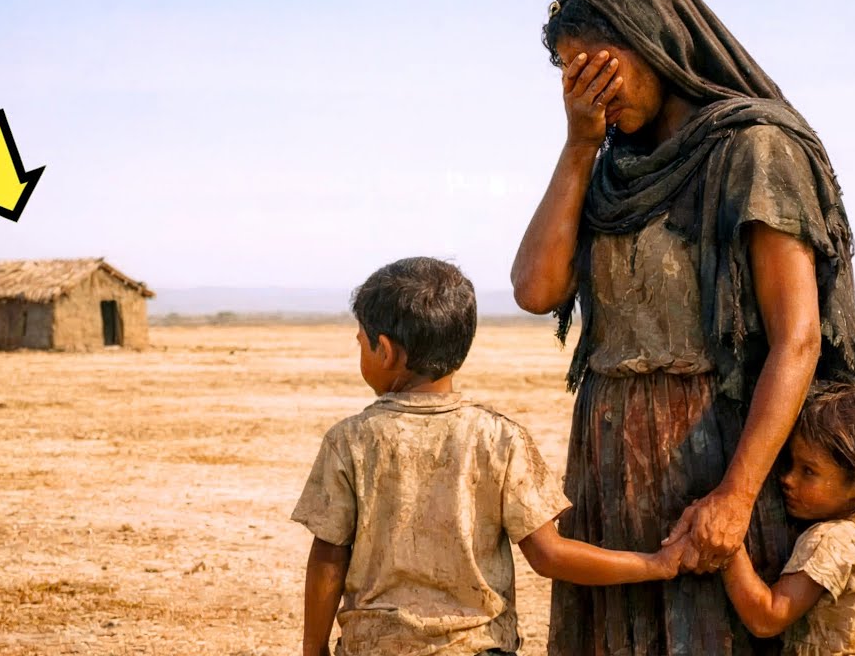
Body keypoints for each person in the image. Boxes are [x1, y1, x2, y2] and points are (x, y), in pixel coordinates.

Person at [510, 0, 855, 654]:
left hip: (722, 451)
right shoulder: (609, 165)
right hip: (610, 455)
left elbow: (797, 337)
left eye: (600, 68)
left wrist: (735, 497)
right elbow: (536, 290)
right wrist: (579, 143)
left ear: (654, 39)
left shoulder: (754, 148)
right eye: (570, 74)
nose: (588, 90)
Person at [293, 256, 688, 656]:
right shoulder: (500, 438)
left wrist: (314, 648)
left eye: (361, 341)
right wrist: (656, 564)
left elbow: (329, 554)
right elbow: (550, 556)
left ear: (385, 351)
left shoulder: (349, 441)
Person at [716, 383, 855, 655]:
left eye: (808, 471)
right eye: (790, 464)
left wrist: (728, 545)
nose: (787, 479)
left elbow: (766, 619)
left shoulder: (831, 540)